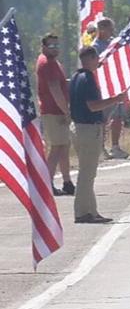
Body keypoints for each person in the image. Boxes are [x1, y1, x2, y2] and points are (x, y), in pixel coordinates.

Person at [69, 47, 126, 223]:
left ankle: (91, 211)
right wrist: (116, 99)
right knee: (86, 173)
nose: (98, 61)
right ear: (91, 58)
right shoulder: (88, 79)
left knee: (88, 172)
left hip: (79, 127)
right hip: (87, 129)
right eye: (96, 58)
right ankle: (81, 212)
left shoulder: (76, 77)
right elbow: (93, 105)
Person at [36, 33, 74, 197]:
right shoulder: (47, 63)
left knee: (64, 147)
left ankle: (67, 182)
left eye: (57, 45)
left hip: (56, 110)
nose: (55, 49)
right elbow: (54, 89)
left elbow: (60, 83)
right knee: (57, 147)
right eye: (51, 46)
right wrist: (66, 111)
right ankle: (47, 182)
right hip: (53, 111)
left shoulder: (54, 63)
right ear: (44, 47)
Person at [93, 18, 129, 159]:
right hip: (103, 86)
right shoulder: (96, 47)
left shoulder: (113, 44)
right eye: (109, 29)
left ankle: (115, 146)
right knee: (103, 118)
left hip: (116, 84)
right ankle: (100, 148)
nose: (111, 32)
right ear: (101, 29)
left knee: (118, 116)